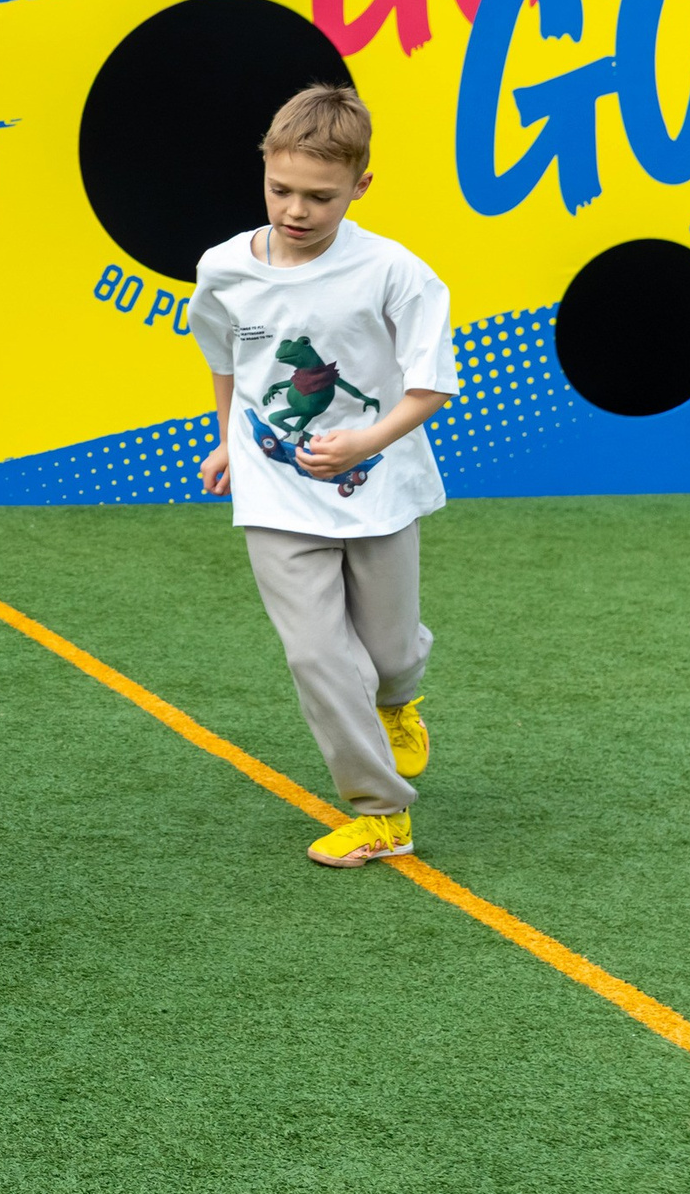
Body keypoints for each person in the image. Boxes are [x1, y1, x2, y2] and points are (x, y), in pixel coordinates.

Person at [193, 84, 456, 867]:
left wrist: (362, 441)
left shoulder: (396, 271)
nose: (296, 209)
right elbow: (226, 360)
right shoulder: (224, 268)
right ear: (264, 171)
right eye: (281, 189)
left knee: (388, 648)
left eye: (320, 196)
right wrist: (232, 443)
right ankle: (382, 814)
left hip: (378, 486)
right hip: (277, 494)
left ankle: (400, 699)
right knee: (316, 651)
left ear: (360, 187)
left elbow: (431, 383)